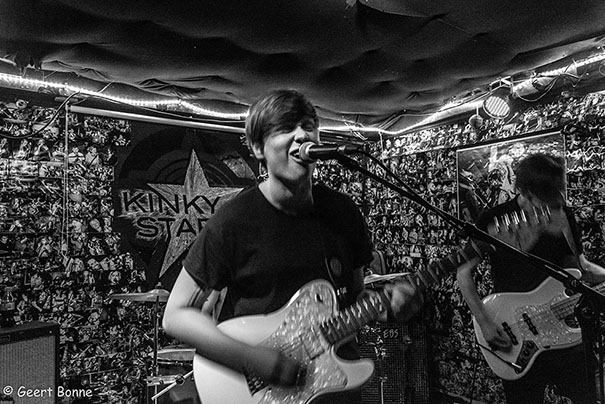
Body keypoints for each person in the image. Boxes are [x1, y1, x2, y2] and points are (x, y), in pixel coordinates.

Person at [163, 89, 424, 403]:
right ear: (258, 147)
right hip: (261, 391)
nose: (302, 135)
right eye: (286, 128)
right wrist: (252, 358)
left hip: (335, 385)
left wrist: (387, 307)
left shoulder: (343, 212)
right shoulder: (234, 221)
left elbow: (353, 296)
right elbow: (175, 315)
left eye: (308, 126)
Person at [457, 153, 605, 404]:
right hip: (515, 333)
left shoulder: (562, 215)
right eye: (542, 201)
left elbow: (580, 267)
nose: (548, 208)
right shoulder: (495, 219)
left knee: (588, 395)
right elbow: (463, 272)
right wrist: (484, 322)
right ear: (525, 192)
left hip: (564, 329)